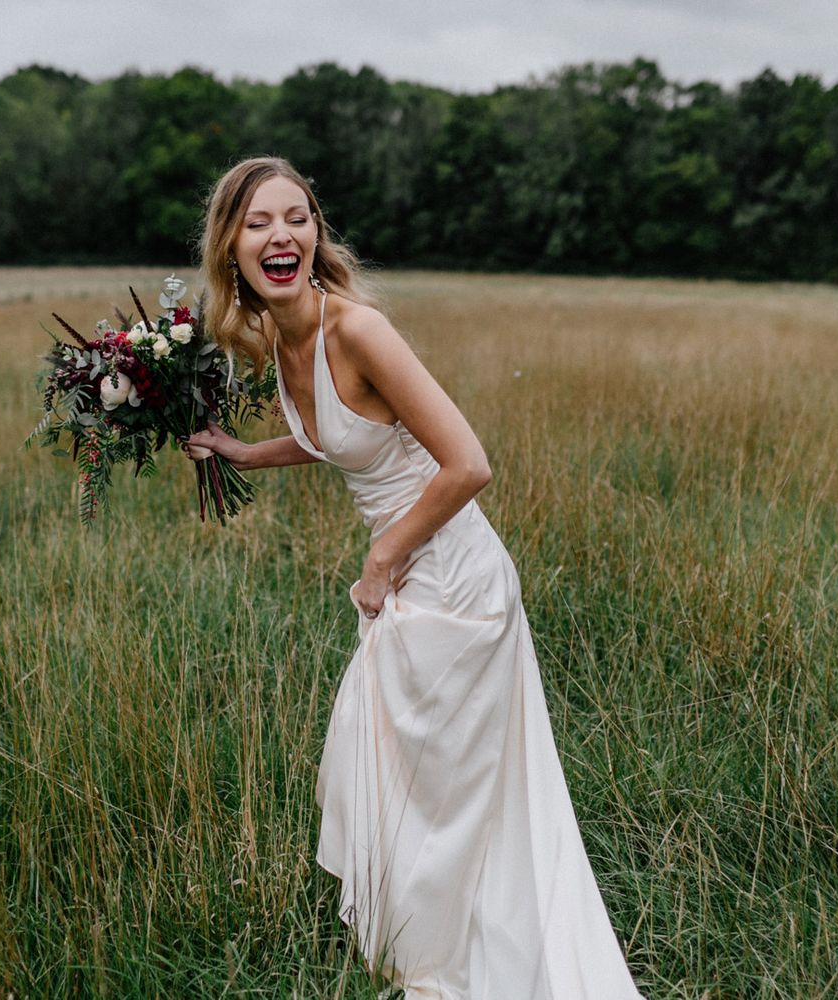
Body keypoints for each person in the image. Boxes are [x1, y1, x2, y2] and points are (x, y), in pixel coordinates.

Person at [184, 157, 645, 1000]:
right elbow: (342, 433)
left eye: (297, 217)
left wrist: (384, 554)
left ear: (316, 235)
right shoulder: (277, 337)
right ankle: (429, 949)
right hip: (409, 579)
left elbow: (468, 463)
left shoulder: (355, 328)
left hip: (456, 582)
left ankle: (473, 961)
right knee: (395, 771)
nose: (281, 235)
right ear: (231, 247)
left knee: (442, 784)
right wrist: (246, 450)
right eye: (258, 223)